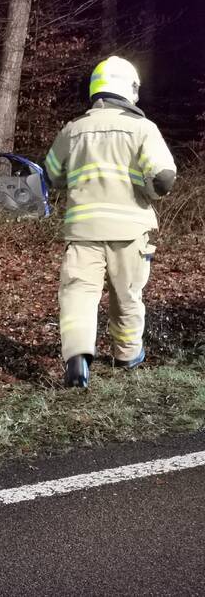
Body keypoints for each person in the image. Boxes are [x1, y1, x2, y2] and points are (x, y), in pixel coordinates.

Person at [43, 56, 177, 388]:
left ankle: (77, 359)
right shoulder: (143, 129)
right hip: (130, 231)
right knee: (127, 296)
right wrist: (147, 191)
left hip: (83, 230)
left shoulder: (72, 130)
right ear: (129, 89)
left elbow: (50, 175)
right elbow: (163, 178)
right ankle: (127, 355)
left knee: (78, 294)